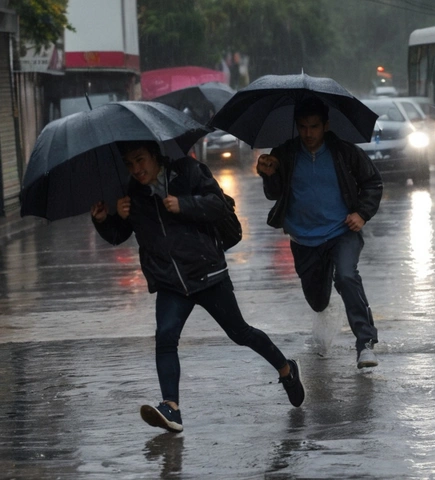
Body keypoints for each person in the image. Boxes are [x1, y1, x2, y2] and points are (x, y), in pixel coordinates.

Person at [91, 140, 305, 433]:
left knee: (240, 332)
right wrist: (105, 219)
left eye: (140, 160)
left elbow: (218, 205)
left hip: (207, 273)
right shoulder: (132, 192)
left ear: (155, 156)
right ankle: (172, 409)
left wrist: (184, 204)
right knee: (166, 338)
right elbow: (118, 234)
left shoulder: (188, 171)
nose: (136, 169)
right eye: (129, 164)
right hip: (169, 282)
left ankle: (286, 369)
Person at [256, 97, 383, 369]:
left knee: (347, 276)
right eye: (302, 127)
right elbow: (274, 194)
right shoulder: (284, 153)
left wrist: (362, 213)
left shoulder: (345, 152)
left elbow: (372, 181)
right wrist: (268, 174)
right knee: (317, 301)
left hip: (341, 232)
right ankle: (326, 298)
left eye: (314, 126)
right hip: (304, 239)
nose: (308, 133)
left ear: (325, 125)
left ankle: (365, 343)